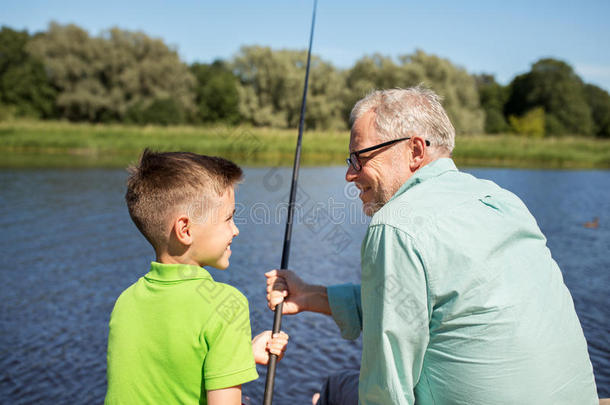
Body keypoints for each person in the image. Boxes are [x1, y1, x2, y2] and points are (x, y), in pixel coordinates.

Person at [266, 87, 599, 404]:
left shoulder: (396, 224)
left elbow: (387, 390)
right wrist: (310, 295)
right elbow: (415, 305)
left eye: (359, 158)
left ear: (414, 150)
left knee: (335, 387)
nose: (350, 175)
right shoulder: (501, 200)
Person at [106, 149, 288, 405]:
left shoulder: (125, 302)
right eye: (228, 218)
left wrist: (241, 353)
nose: (235, 230)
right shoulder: (227, 305)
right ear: (185, 229)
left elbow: (171, 368)